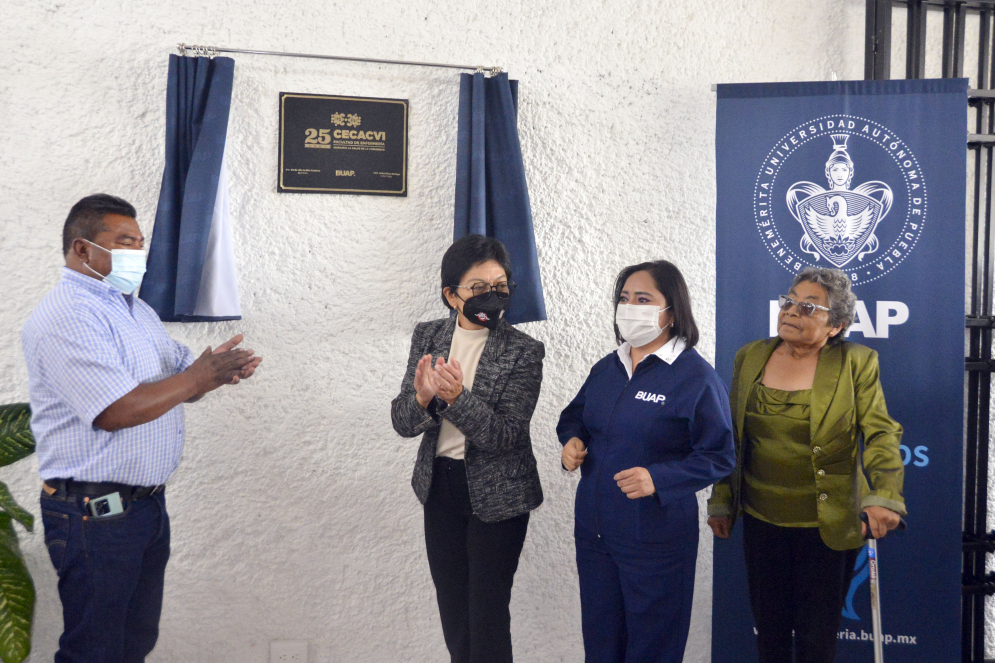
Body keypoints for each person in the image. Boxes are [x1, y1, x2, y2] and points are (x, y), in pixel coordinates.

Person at [22, 194, 263, 663]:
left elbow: (179, 383)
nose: (139, 253)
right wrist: (195, 377)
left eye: (141, 242)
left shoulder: (134, 311)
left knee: (133, 644)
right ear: (83, 250)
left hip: (144, 510)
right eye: (125, 242)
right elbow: (114, 410)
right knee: (94, 650)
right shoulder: (70, 315)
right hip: (96, 513)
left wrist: (212, 373)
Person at [707, 266, 906, 663]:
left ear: (836, 326)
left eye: (809, 307)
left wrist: (884, 494)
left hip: (826, 524)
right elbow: (732, 435)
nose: (791, 311)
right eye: (790, 301)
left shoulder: (857, 363)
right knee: (771, 634)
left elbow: (881, 433)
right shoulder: (750, 356)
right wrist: (722, 499)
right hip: (762, 519)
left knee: (817, 639)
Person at [557, 260, 736, 663]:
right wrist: (571, 442)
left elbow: (720, 455)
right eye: (624, 298)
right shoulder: (608, 368)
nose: (629, 307)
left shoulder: (694, 377)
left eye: (643, 298)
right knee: (602, 647)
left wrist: (659, 478)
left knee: (651, 650)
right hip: (595, 534)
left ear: (671, 311)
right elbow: (574, 417)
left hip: (655, 542)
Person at [391, 234, 544, 663]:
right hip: (440, 488)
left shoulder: (524, 351)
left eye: (500, 286)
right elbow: (402, 422)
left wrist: (458, 398)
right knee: (455, 615)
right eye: (478, 288)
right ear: (451, 295)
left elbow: (505, 436)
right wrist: (422, 399)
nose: (492, 296)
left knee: (487, 615)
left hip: (499, 497)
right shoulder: (428, 337)